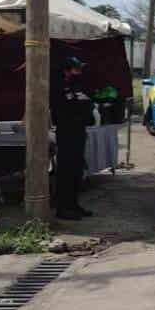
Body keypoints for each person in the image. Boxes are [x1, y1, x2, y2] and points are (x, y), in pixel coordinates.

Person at [51, 56, 93, 220]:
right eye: (77, 69)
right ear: (67, 70)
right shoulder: (58, 86)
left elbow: (86, 103)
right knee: (65, 170)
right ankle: (62, 208)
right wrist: (78, 103)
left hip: (78, 131)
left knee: (77, 169)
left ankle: (74, 204)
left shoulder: (76, 85)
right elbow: (65, 107)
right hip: (66, 132)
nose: (80, 72)